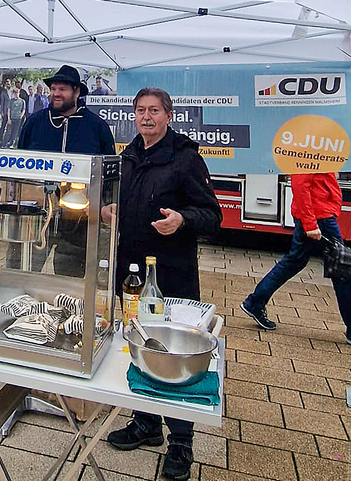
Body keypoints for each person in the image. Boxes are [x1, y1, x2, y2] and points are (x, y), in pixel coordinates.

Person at [103, 87, 221, 481]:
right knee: (139, 342)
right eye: (140, 110)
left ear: (169, 115)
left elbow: (212, 214)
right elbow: (125, 201)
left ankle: (181, 443)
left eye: (154, 110)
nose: (146, 117)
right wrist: (111, 210)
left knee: (173, 352)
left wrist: (182, 220)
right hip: (131, 273)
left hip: (172, 276)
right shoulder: (130, 155)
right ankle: (146, 423)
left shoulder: (185, 159)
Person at [16, 64, 115, 276]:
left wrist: (99, 205)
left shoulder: (97, 128)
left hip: (78, 222)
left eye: (62, 89)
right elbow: (19, 164)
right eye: (53, 89)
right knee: (21, 274)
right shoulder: (34, 123)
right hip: (36, 216)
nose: (56, 93)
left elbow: (108, 175)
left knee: (71, 283)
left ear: (76, 92)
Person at [240, 173, 351, 341]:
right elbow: (300, 185)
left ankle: (255, 302)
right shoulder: (307, 151)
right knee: (342, 270)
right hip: (319, 215)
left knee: (295, 261)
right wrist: (310, 224)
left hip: (319, 212)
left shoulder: (316, 148)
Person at [0, 79, 12, 144]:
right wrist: (2, 111)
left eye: (9, 83)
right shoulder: (4, 92)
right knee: (3, 125)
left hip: (12, 112)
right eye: (7, 83)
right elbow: (2, 102)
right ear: (5, 84)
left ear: (11, 84)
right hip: (5, 111)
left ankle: (9, 140)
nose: (8, 84)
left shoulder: (13, 91)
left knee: (10, 127)